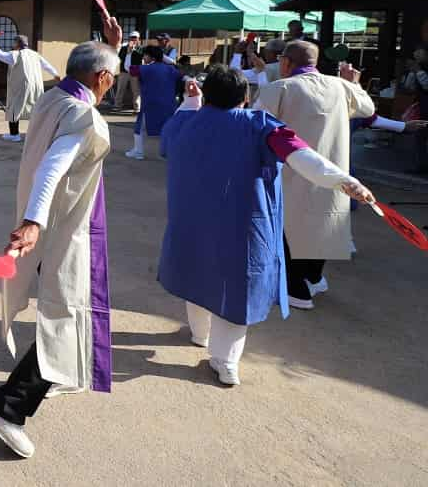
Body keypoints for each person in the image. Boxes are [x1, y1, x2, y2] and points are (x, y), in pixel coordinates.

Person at [158, 66, 376, 386]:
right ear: (246, 97)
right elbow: (301, 156)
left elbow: (167, 140)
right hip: (241, 223)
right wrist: (342, 180)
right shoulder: (258, 126)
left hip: (192, 220)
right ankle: (226, 361)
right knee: (236, 289)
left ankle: (199, 335)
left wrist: (191, 103)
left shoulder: (185, 121)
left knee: (196, 272)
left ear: (207, 95)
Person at [0, 17, 122, 459]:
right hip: (65, 228)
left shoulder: (55, 96)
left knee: (66, 310)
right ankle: (9, 408)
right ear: (101, 78)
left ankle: (61, 372)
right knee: (67, 312)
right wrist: (35, 221)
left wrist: (112, 47)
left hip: (55, 224)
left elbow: (89, 75)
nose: (112, 86)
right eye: (111, 78)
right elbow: (53, 168)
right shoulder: (83, 116)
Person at [255, 41, 374, 309]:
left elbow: (255, 123)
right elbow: (368, 109)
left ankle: (296, 289)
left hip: (294, 167)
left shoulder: (281, 88)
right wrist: (354, 83)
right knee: (324, 221)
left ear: (286, 63)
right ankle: (314, 278)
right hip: (335, 167)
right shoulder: (339, 85)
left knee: (290, 226)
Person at [0, 34, 60, 141]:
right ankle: (37, 134)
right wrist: (55, 75)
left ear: (17, 43)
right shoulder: (35, 54)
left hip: (21, 85)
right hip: (36, 85)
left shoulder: (16, 55)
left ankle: (14, 135)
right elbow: (46, 65)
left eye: (14, 42)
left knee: (14, 107)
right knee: (36, 108)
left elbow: (0, 55)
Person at [126, 46, 178, 160]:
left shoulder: (146, 68)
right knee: (168, 129)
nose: (144, 57)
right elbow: (181, 74)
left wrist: (131, 54)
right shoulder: (171, 69)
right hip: (169, 105)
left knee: (139, 128)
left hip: (151, 104)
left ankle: (138, 152)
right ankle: (168, 154)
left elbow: (130, 69)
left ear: (151, 57)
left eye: (145, 55)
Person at [404, 48, 428, 174]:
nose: (416, 55)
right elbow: (409, 87)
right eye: (415, 52)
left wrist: (418, 71)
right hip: (423, 107)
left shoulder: (423, 69)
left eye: (420, 52)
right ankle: (421, 165)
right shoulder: (418, 68)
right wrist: (413, 72)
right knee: (420, 137)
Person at [114, 32, 143, 113]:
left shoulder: (140, 48)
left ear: (138, 39)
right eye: (132, 37)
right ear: (129, 38)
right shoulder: (123, 48)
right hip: (124, 71)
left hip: (135, 72)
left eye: (135, 38)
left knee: (136, 90)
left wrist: (134, 49)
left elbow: (141, 57)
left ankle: (137, 107)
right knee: (120, 89)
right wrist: (127, 50)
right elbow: (119, 57)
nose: (133, 39)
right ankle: (117, 105)